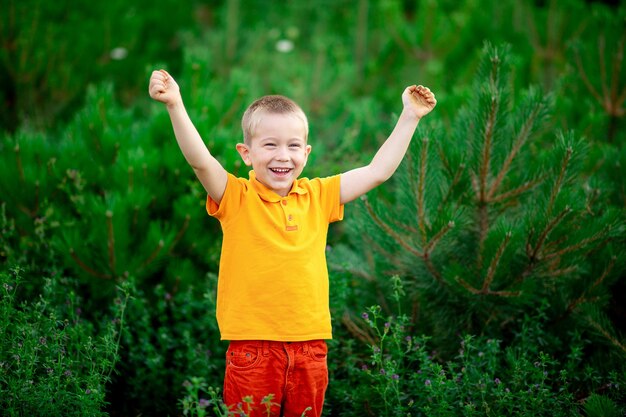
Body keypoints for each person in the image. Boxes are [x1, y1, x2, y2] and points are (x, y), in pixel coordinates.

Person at [148, 69, 436, 417]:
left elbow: (378, 171)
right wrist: (175, 104)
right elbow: (200, 160)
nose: (283, 155)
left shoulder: (319, 195)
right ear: (246, 153)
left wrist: (409, 116)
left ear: (307, 152)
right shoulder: (236, 196)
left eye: (293, 145)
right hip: (253, 349)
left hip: (310, 347)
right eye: (270, 145)